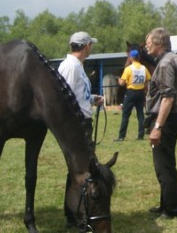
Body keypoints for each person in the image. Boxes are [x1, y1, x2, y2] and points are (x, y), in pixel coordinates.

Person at [57, 31, 104, 228]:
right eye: (90, 45)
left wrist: (92, 99)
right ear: (85, 46)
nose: (91, 48)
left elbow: (76, 94)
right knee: (80, 170)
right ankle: (74, 214)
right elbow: (63, 98)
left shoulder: (77, 66)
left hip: (82, 122)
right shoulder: (70, 66)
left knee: (79, 169)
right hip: (77, 125)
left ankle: (73, 212)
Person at [144, 27, 177, 219]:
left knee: (164, 165)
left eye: (149, 43)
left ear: (159, 43)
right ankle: (165, 204)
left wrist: (157, 127)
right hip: (175, 116)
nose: (146, 47)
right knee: (166, 162)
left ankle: (172, 210)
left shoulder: (164, 65)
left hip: (166, 119)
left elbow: (167, 98)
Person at [115, 49, 150, 141]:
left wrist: (118, 79)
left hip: (131, 92)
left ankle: (121, 136)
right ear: (138, 58)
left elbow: (122, 83)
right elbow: (147, 80)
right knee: (140, 114)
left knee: (126, 115)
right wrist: (143, 85)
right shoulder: (144, 68)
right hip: (141, 92)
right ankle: (140, 135)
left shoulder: (128, 69)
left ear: (131, 58)